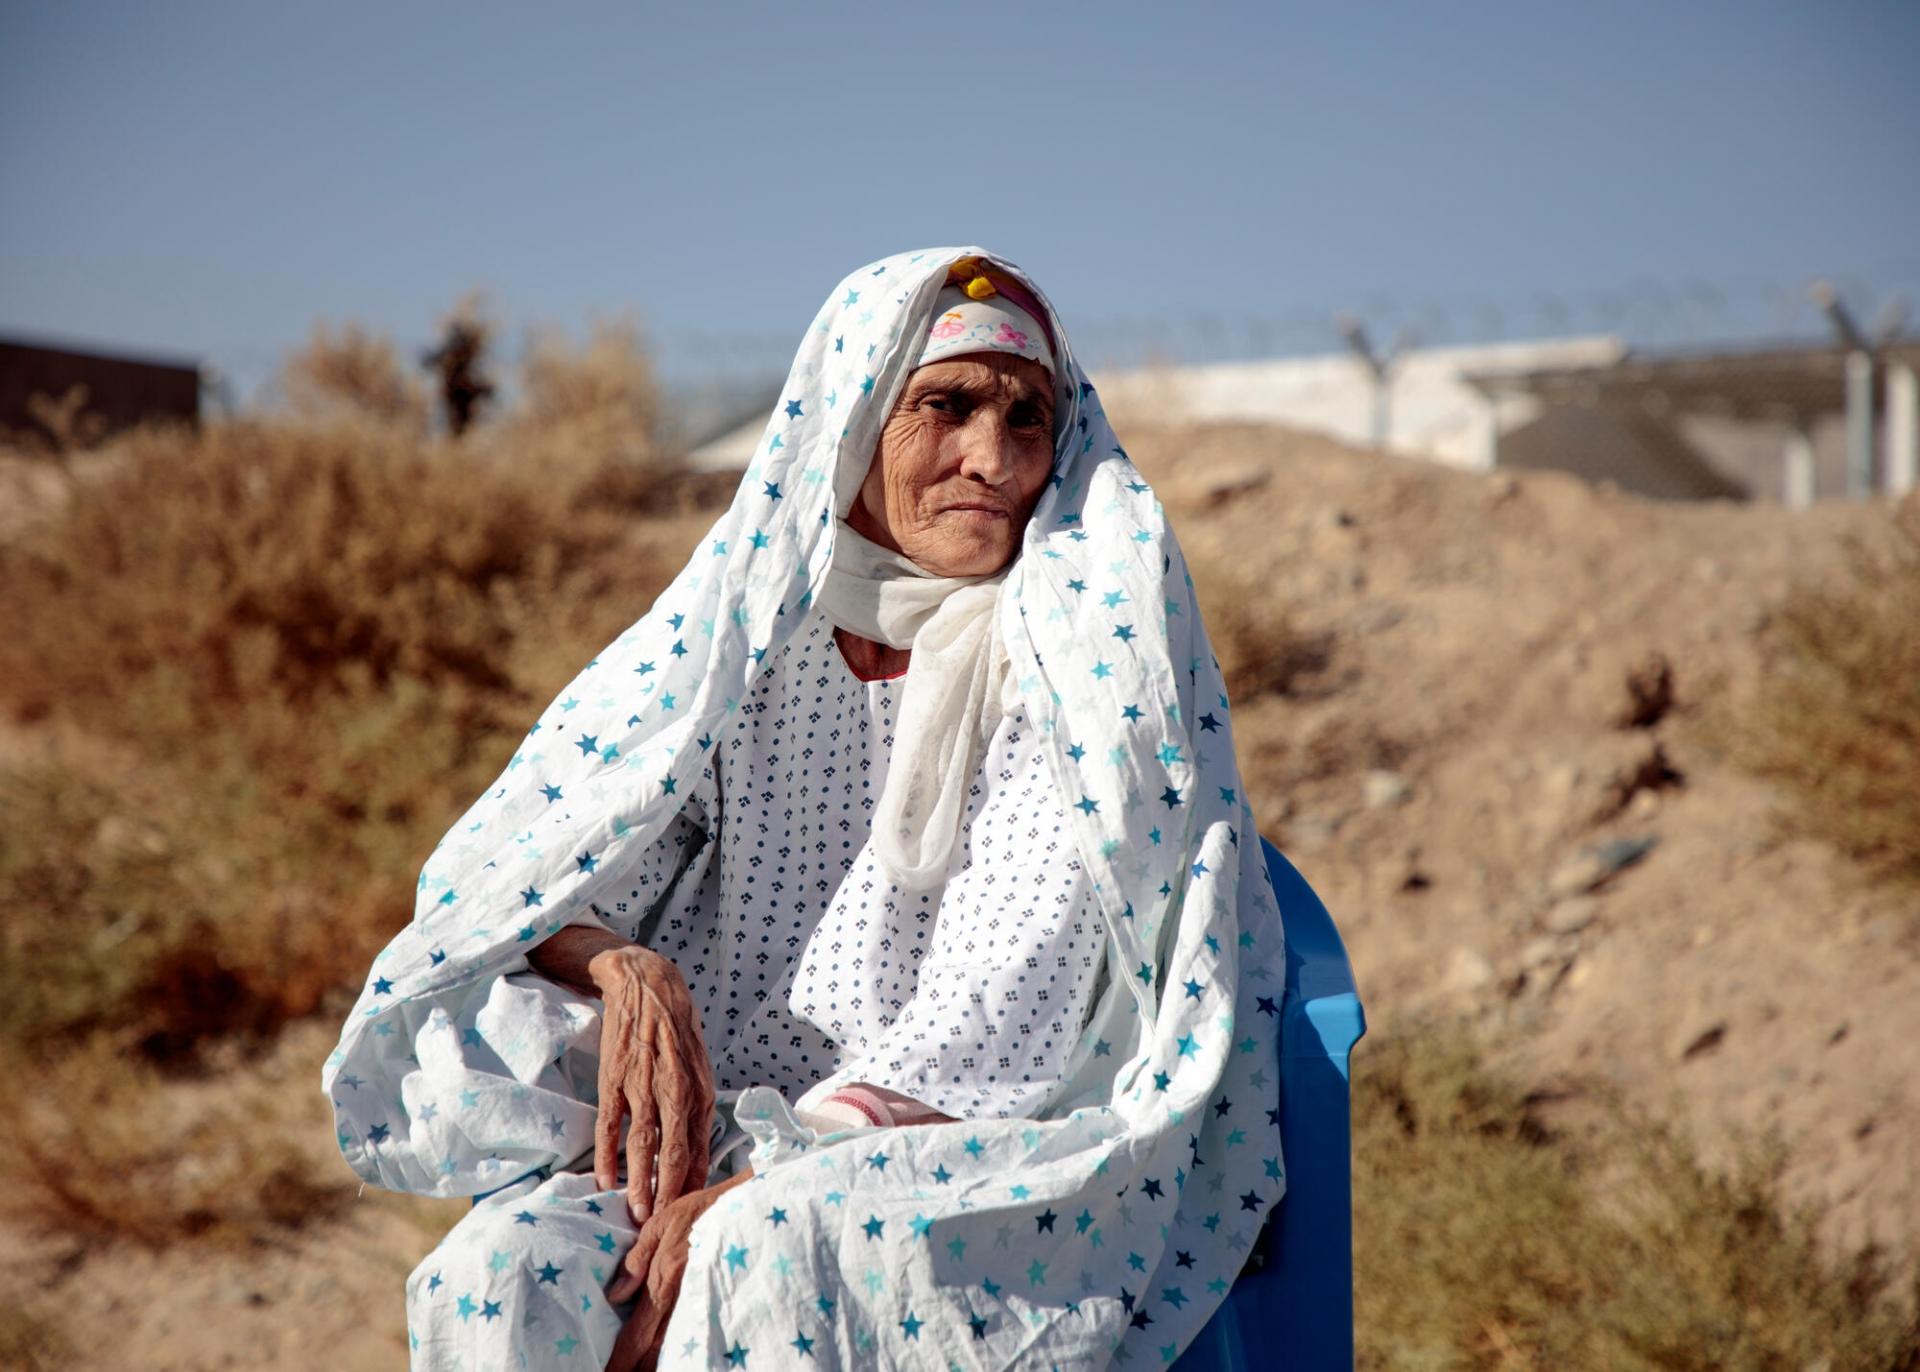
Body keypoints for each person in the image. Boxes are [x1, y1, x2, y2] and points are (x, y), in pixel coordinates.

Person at [324, 247, 1287, 1372]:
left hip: (980, 1136)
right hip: (731, 1128)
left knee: (762, 1251)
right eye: (949, 405)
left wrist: (756, 1180)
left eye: (1030, 419)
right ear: (856, 418)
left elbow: (1001, 1008)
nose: (994, 456)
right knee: (498, 1272)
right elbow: (540, 865)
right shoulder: (750, 648)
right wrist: (619, 967)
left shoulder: (1069, 666)